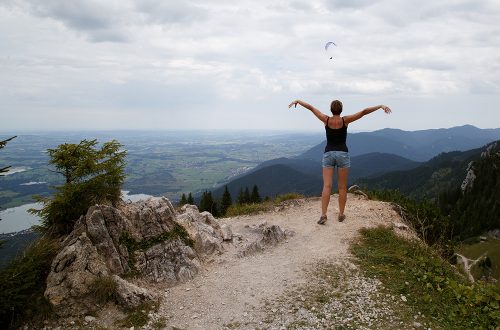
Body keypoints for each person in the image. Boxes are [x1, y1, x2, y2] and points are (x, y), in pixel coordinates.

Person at [288, 99, 391, 224]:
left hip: (328, 154)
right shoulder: (345, 120)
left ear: (331, 109)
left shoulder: (326, 120)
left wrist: (298, 101)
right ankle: (341, 214)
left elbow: (310, 107)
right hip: (343, 154)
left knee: (327, 186)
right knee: (342, 187)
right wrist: (380, 106)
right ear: (341, 109)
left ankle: (323, 215)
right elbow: (364, 112)